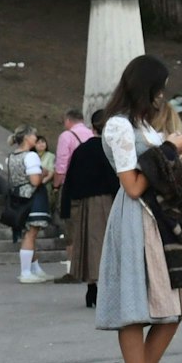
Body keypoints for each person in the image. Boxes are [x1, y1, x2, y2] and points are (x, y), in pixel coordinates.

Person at [94, 55, 182, 363]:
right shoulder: (119, 126)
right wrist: (169, 148)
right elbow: (133, 186)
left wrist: (172, 149)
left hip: (161, 219)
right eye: (159, 88)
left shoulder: (141, 125)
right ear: (146, 88)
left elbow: (154, 171)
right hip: (138, 219)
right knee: (135, 306)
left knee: (172, 307)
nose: (162, 96)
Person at [60, 109, 119, 307]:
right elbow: (115, 178)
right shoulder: (110, 150)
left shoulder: (81, 150)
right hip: (107, 201)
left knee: (90, 245)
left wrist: (66, 207)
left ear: (92, 128)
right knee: (105, 244)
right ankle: (107, 289)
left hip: (83, 202)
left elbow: (70, 179)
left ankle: (92, 286)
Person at [3, 126, 53, 283]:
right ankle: (25, 272)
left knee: (30, 234)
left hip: (17, 197)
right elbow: (35, 181)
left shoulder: (11, 157)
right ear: (26, 137)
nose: (36, 138)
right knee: (31, 233)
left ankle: (36, 269)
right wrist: (43, 173)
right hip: (32, 197)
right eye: (33, 136)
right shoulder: (31, 156)